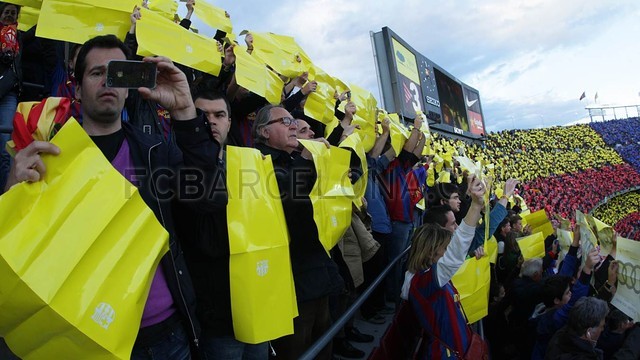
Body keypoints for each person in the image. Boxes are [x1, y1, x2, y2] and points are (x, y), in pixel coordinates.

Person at [6, 34, 224, 359]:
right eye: (96, 73)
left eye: (117, 74)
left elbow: (209, 198)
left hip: (164, 334)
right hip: (85, 333)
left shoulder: (156, 152)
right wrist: (11, 192)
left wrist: (185, 111)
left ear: (129, 87)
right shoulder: (47, 158)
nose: (108, 81)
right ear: (77, 89)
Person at [252, 105, 343, 360]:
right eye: (286, 121)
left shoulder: (293, 158)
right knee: (299, 349)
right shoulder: (257, 160)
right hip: (292, 278)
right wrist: (306, 159)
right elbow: (289, 201)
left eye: (294, 121)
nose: (293, 126)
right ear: (264, 132)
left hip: (316, 268)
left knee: (323, 339)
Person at [404, 175, 486, 359]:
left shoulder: (426, 279)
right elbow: (456, 252)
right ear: (432, 252)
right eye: (445, 250)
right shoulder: (423, 281)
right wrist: (475, 206)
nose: (448, 254)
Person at [546, 297, 640, 359]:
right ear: (589, 332)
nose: (603, 329)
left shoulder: (561, 334)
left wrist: (608, 285)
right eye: (602, 326)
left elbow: (589, 308)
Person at [0, 2, 21, 192]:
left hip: (8, 94)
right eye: (6, 12)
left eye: (13, 13)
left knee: (5, 146)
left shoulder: (19, 36)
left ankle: (3, 193)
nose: (9, 16)